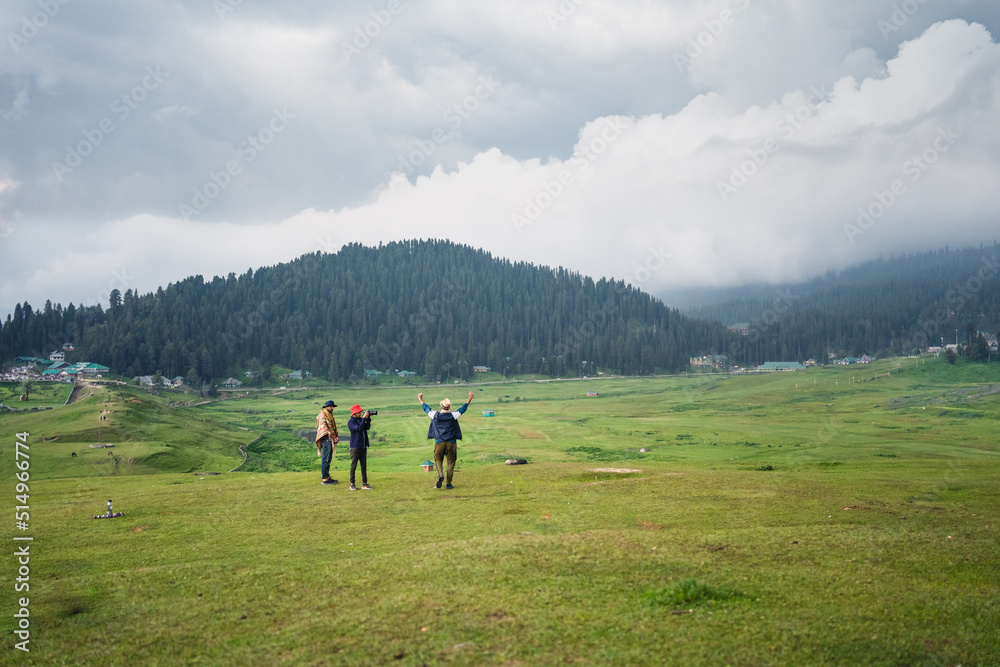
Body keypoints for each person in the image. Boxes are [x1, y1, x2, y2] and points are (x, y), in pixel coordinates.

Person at [418, 391, 473, 489]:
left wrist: (421, 399)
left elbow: (426, 408)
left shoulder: (434, 415)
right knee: (451, 462)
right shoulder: (454, 415)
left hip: (439, 442)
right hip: (451, 443)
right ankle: (448, 483)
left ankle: (440, 475)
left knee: (438, 459)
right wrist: (469, 398)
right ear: (449, 407)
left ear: (441, 406)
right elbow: (463, 408)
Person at [347, 404, 373, 491]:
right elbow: (359, 428)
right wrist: (364, 419)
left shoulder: (360, 420)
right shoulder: (351, 422)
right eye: (359, 412)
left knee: (363, 466)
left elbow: (367, 427)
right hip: (355, 447)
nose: (361, 413)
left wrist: (368, 419)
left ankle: (365, 483)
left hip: (363, 446)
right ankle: (352, 483)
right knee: (353, 466)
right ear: (354, 413)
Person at [315, 400, 339, 485]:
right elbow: (324, 427)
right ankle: (324, 478)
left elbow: (331, 427)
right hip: (326, 438)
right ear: (326, 407)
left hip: (329, 438)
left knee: (328, 458)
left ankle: (327, 476)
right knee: (325, 458)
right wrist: (332, 435)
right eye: (330, 406)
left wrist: (334, 435)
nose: (332, 408)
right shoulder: (323, 415)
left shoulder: (329, 415)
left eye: (333, 406)